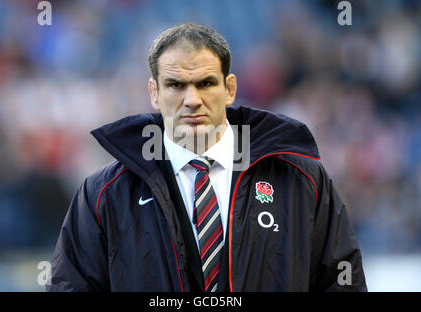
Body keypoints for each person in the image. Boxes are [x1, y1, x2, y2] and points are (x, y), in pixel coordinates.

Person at [46, 23, 367, 292]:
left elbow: (341, 282)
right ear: (154, 93)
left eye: (205, 83)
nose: (192, 99)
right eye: (175, 85)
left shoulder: (302, 180)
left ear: (229, 89)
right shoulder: (105, 193)